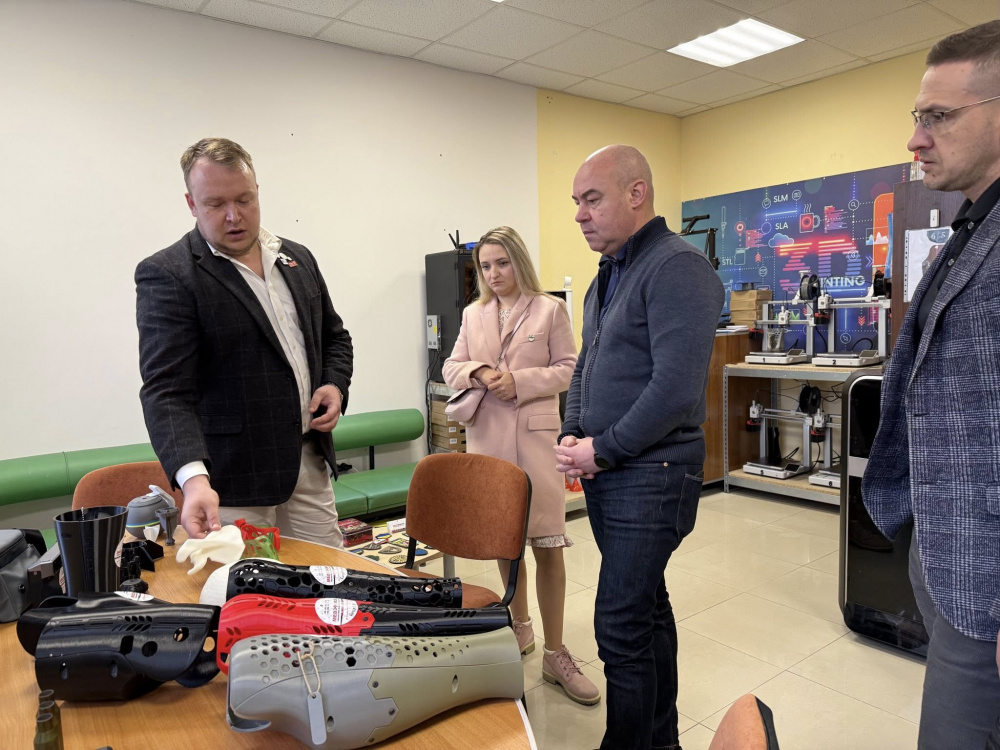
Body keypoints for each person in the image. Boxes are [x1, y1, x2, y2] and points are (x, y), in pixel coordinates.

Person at [555, 145, 724, 750]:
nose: (580, 214)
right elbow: (586, 365)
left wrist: (602, 449)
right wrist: (573, 430)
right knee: (647, 610)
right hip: (614, 472)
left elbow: (675, 391)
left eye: (591, 199)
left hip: (653, 472)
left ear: (636, 193)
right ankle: (662, 740)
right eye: (576, 202)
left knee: (620, 625)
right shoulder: (609, 273)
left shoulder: (677, 267)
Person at [862, 21, 1000, 750]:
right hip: (950, 556)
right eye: (918, 116)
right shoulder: (973, 229)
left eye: (939, 117)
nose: (916, 139)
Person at [136, 137, 353, 546]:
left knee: (326, 575)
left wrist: (334, 385)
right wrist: (194, 480)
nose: (234, 216)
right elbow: (166, 391)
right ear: (191, 204)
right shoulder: (169, 274)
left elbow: (334, 337)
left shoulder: (296, 258)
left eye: (244, 200)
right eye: (216, 204)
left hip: (307, 461)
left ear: (257, 192)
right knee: (247, 584)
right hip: (231, 482)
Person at [442, 226, 600, 706]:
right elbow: (451, 367)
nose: (494, 273)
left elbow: (570, 368)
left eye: (502, 263)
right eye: (485, 266)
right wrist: (480, 372)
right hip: (488, 439)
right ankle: (520, 627)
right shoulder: (473, 314)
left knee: (547, 545)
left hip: (536, 441)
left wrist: (521, 381)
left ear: (519, 262)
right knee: (505, 544)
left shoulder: (549, 309)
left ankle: (556, 653)